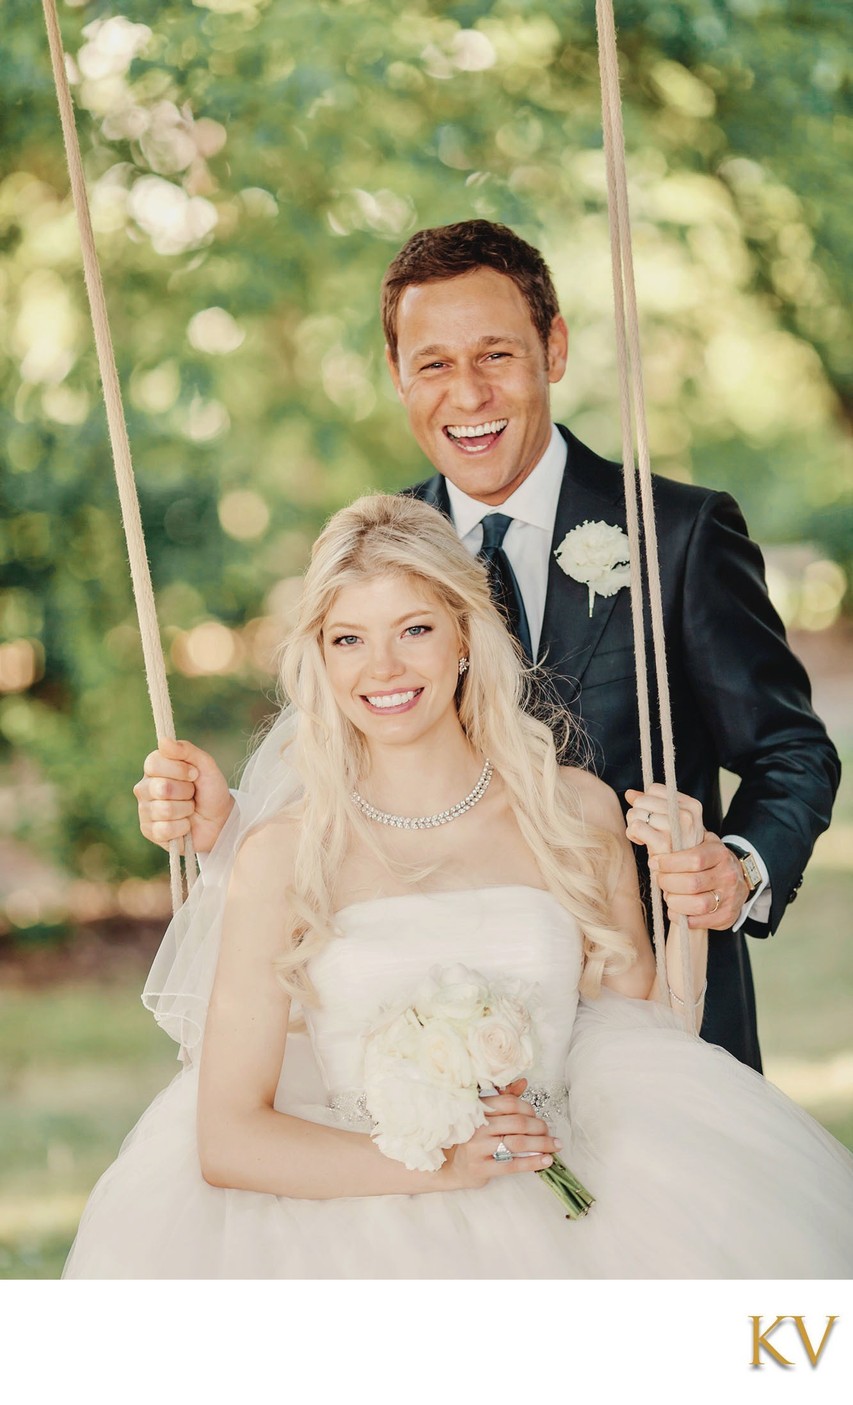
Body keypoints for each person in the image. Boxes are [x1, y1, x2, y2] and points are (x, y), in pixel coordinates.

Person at [66, 495, 853, 1279]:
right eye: (348, 639)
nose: (383, 669)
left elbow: (646, 1041)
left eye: (414, 629)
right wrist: (441, 1166)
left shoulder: (570, 809)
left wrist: (688, 912)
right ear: (321, 659)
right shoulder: (282, 855)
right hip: (351, 1231)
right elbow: (229, 1140)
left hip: (568, 1209)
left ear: (464, 638)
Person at [134, 221, 840, 1071]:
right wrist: (227, 833)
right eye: (432, 363)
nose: (467, 396)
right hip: (440, 1040)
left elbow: (790, 749)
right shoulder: (370, 551)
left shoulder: (674, 534)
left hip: (659, 1023)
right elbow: (342, 780)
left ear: (554, 348)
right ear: (397, 374)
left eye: (496, 355)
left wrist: (736, 869)